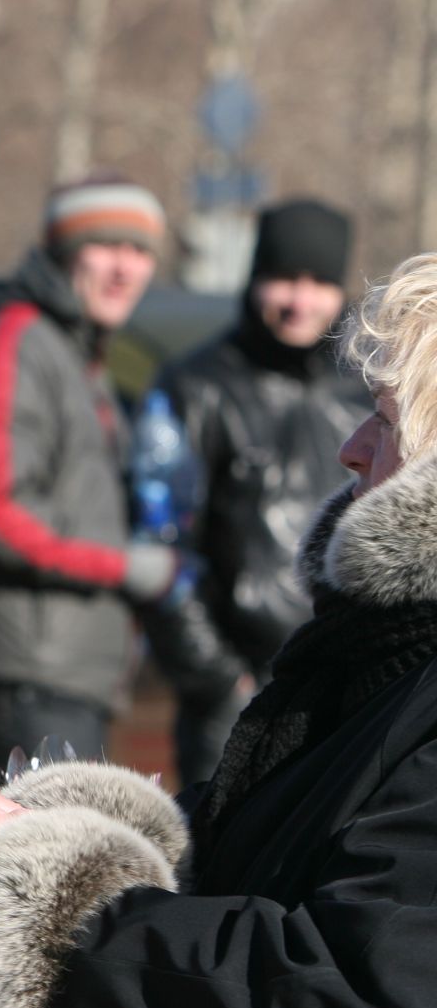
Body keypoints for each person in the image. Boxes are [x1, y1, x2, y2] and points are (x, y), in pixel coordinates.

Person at [0, 250, 437, 1008]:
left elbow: (368, 1007)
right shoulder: (378, 654)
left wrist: (47, 925)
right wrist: (43, 843)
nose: (350, 450)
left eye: (385, 421)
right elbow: (260, 856)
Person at [0, 175, 180, 777]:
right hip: (21, 688)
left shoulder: (74, 358)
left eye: (140, 250)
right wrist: (124, 565)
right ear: (62, 252)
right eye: (106, 246)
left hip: (63, 686)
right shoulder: (15, 345)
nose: (126, 268)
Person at [143, 198, 371, 785]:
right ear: (254, 280)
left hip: (349, 689)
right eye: (284, 279)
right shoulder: (196, 387)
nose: (300, 300)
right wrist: (220, 681)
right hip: (238, 703)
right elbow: (160, 546)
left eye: (319, 282)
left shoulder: (367, 393)